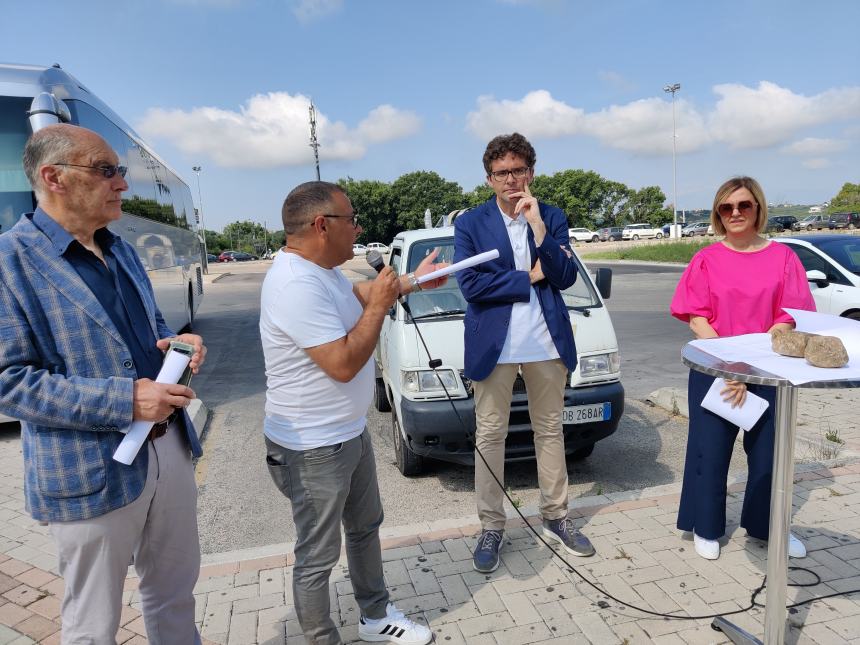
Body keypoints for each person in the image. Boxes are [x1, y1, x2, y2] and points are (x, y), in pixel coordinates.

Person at [0, 124, 206, 643]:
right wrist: (124, 400)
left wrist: (180, 348)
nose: (122, 185)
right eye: (106, 170)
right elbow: (9, 380)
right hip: (88, 469)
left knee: (176, 595)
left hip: (169, 448)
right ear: (54, 177)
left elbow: (155, 330)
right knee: (93, 624)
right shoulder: (10, 260)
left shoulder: (121, 251)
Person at [260, 181, 447, 645]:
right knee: (318, 555)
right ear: (322, 225)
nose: (359, 228)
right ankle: (322, 637)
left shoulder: (320, 270)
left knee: (364, 528)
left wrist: (409, 282)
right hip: (311, 447)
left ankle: (374, 615)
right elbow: (344, 363)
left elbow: (356, 297)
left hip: (347, 432)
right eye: (353, 219)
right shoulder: (294, 284)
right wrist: (383, 306)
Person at [453, 132, 595, 574]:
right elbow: (470, 286)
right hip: (494, 348)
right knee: (490, 437)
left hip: (546, 343)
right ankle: (492, 526)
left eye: (518, 170)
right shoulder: (471, 224)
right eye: (502, 173)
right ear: (489, 178)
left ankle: (556, 515)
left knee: (549, 431)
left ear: (531, 172)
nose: (511, 179)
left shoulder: (551, 216)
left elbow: (566, 276)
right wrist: (528, 277)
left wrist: (538, 230)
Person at [670, 176, 815, 561]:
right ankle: (706, 526)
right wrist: (730, 367)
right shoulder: (706, 259)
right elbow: (697, 318)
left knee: (770, 456)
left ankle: (770, 528)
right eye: (726, 207)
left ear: (757, 209)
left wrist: (755, 366)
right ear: (718, 213)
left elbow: (790, 316)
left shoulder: (784, 258)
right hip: (715, 370)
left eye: (743, 206)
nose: (735, 213)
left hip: (769, 372)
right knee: (710, 452)